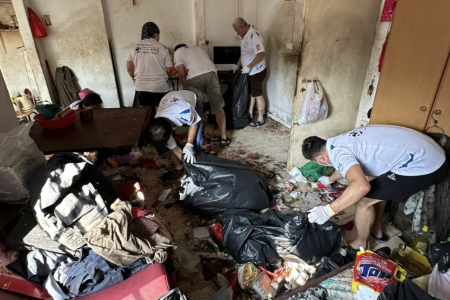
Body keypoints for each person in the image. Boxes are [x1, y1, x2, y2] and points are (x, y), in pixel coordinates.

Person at [302, 125, 448, 250]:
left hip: (425, 164)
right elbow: (344, 165)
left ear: (320, 159)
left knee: (363, 201)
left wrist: (329, 210)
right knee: (374, 185)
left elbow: (361, 187)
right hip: (428, 150)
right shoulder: (337, 141)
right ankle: (376, 230)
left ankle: (361, 243)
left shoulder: (338, 153)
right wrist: (329, 179)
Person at [174, 44, 231, 147]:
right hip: (211, 73)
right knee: (218, 107)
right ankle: (223, 138)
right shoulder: (197, 48)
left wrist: (186, 89)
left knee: (196, 107)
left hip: (195, 77)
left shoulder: (178, 52)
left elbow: (182, 73)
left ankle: (196, 139)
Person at [148, 88, 207, 181]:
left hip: (192, 101)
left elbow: (194, 123)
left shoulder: (184, 112)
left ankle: (197, 169)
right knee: (162, 143)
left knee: (195, 139)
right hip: (169, 100)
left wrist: (189, 145)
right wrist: (186, 166)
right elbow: (175, 149)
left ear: (171, 130)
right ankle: (179, 167)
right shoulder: (157, 123)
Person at [126, 22, 172, 117]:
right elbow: (169, 70)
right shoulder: (162, 47)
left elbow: (129, 68)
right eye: (158, 34)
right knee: (161, 114)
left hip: (142, 86)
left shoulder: (134, 47)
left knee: (146, 115)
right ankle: (160, 131)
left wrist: (134, 78)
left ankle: (147, 130)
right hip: (160, 86)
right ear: (155, 34)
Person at [232, 17, 267, 127]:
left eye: (237, 30)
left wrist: (249, 66)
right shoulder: (244, 36)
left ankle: (261, 118)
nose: (237, 33)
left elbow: (261, 54)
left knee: (257, 94)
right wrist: (237, 66)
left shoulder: (254, 35)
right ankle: (250, 113)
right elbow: (244, 54)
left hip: (257, 70)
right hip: (250, 70)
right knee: (252, 93)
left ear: (241, 27)